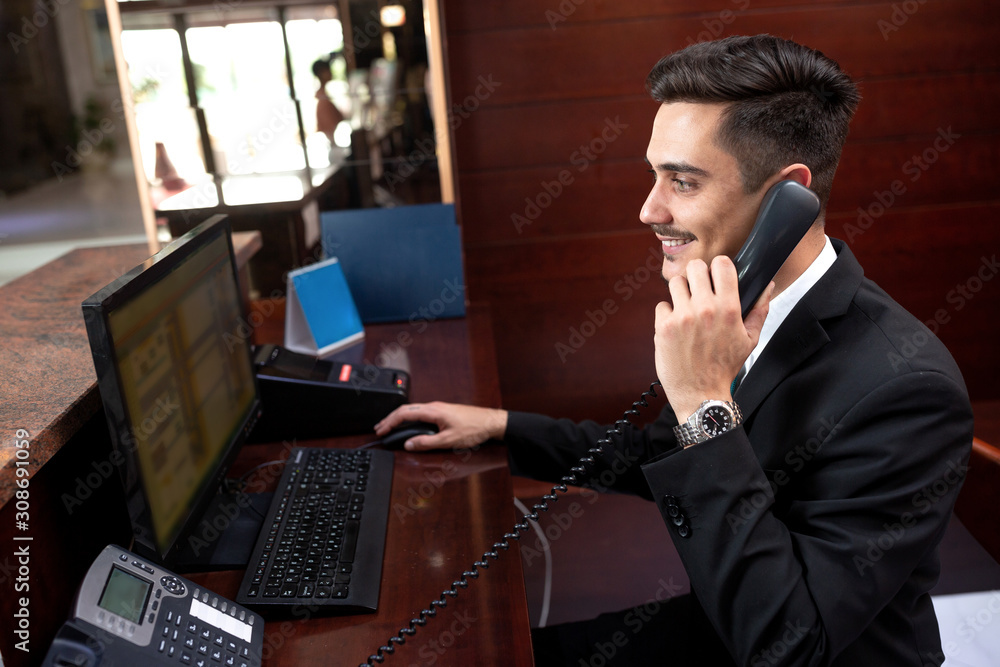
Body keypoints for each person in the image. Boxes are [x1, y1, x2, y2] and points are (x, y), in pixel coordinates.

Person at [374, 34, 973, 666]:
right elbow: (660, 453)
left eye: (682, 181)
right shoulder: (728, 314)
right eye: (653, 175)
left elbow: (791, 643)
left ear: (786, 198)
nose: (647, 209)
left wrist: (704, 403)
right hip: (720, 621)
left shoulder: (909, 390)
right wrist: (501, 428)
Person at [312, 57, 345, 142]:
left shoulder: (323, 96)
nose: (330, 72)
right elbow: (329, 128)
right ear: (321, 73)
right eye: (328, 70)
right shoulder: (323, 99)